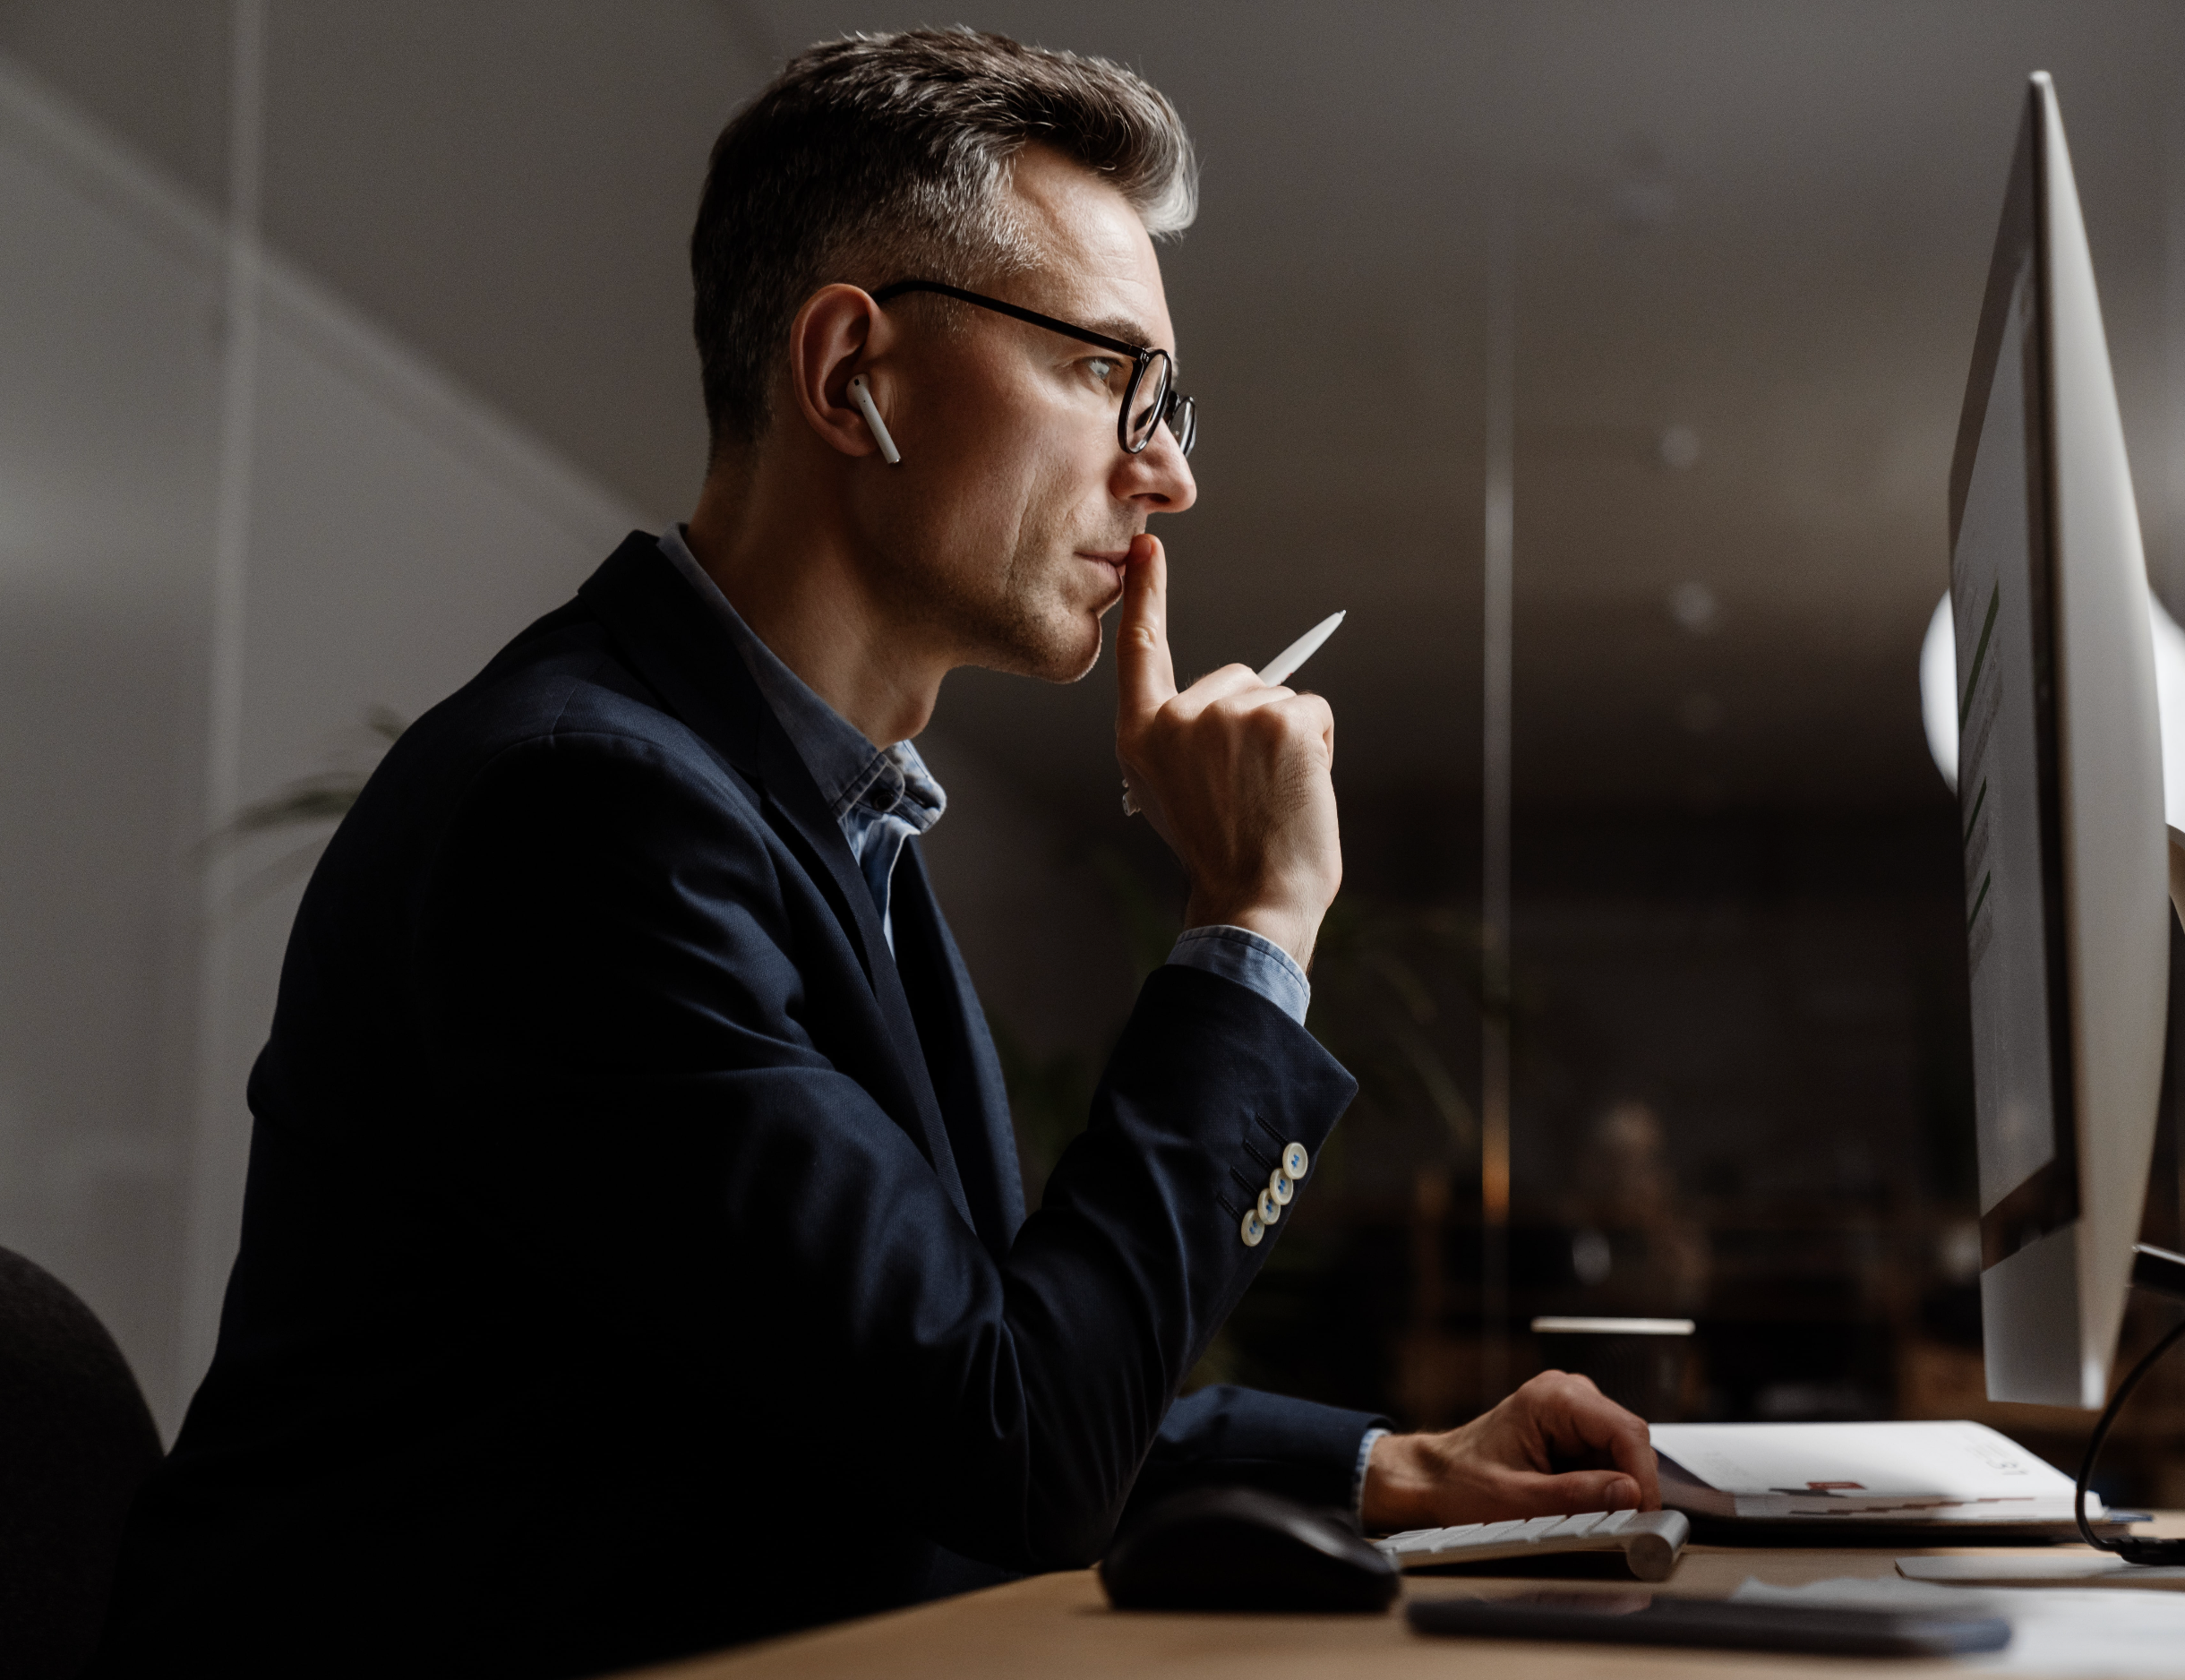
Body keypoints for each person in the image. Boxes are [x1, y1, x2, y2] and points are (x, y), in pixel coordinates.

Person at [98, 29, 1657, 1678]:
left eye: (1170, 398)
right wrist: (1255, 918)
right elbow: (1011, 1447)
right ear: (854, 376)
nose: (1171, 472)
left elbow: (943, 1363)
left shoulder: (811, 811)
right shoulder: (583, 817)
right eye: (1105, 373)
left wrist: (1386, 1469)